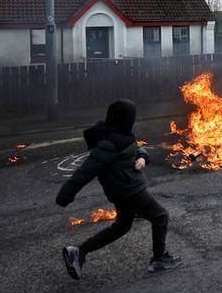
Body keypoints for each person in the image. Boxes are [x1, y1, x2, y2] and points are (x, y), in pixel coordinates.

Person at [56, 99, 181, 280]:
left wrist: (143, 157)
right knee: (160, 216)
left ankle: (79, 251)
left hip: (125, 189)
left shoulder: (120, 134)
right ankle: (159, 259)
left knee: (122, 226)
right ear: (125, 118)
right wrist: (66, 194)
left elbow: (135, 148)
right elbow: (86, 170)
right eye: (132, 116)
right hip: (128, 191)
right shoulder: (109, 143)